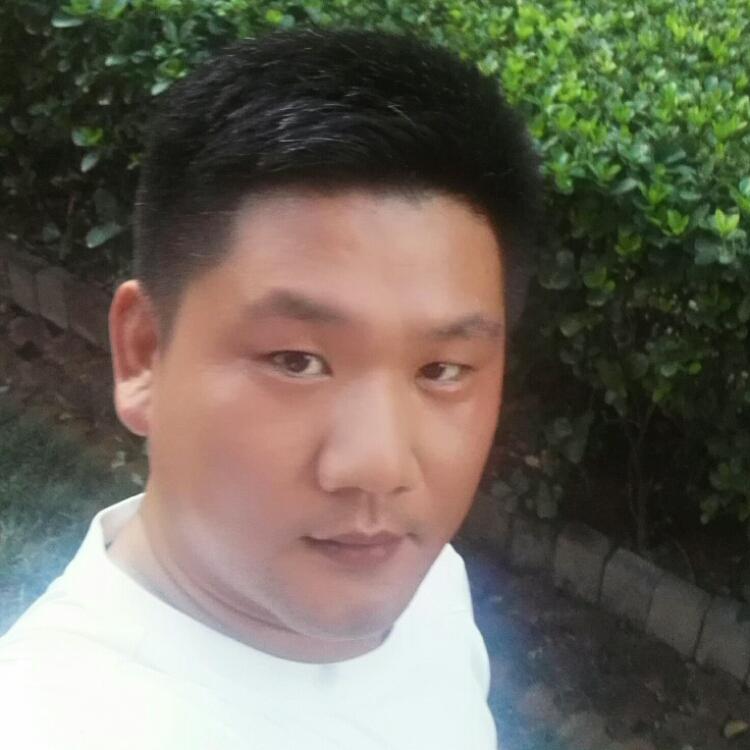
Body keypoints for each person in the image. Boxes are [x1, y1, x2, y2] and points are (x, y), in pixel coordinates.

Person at [0, 26, 544, 749]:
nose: (379, 466)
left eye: (441, 370)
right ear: (143, 354)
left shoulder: (428, 580)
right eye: (296, 361)